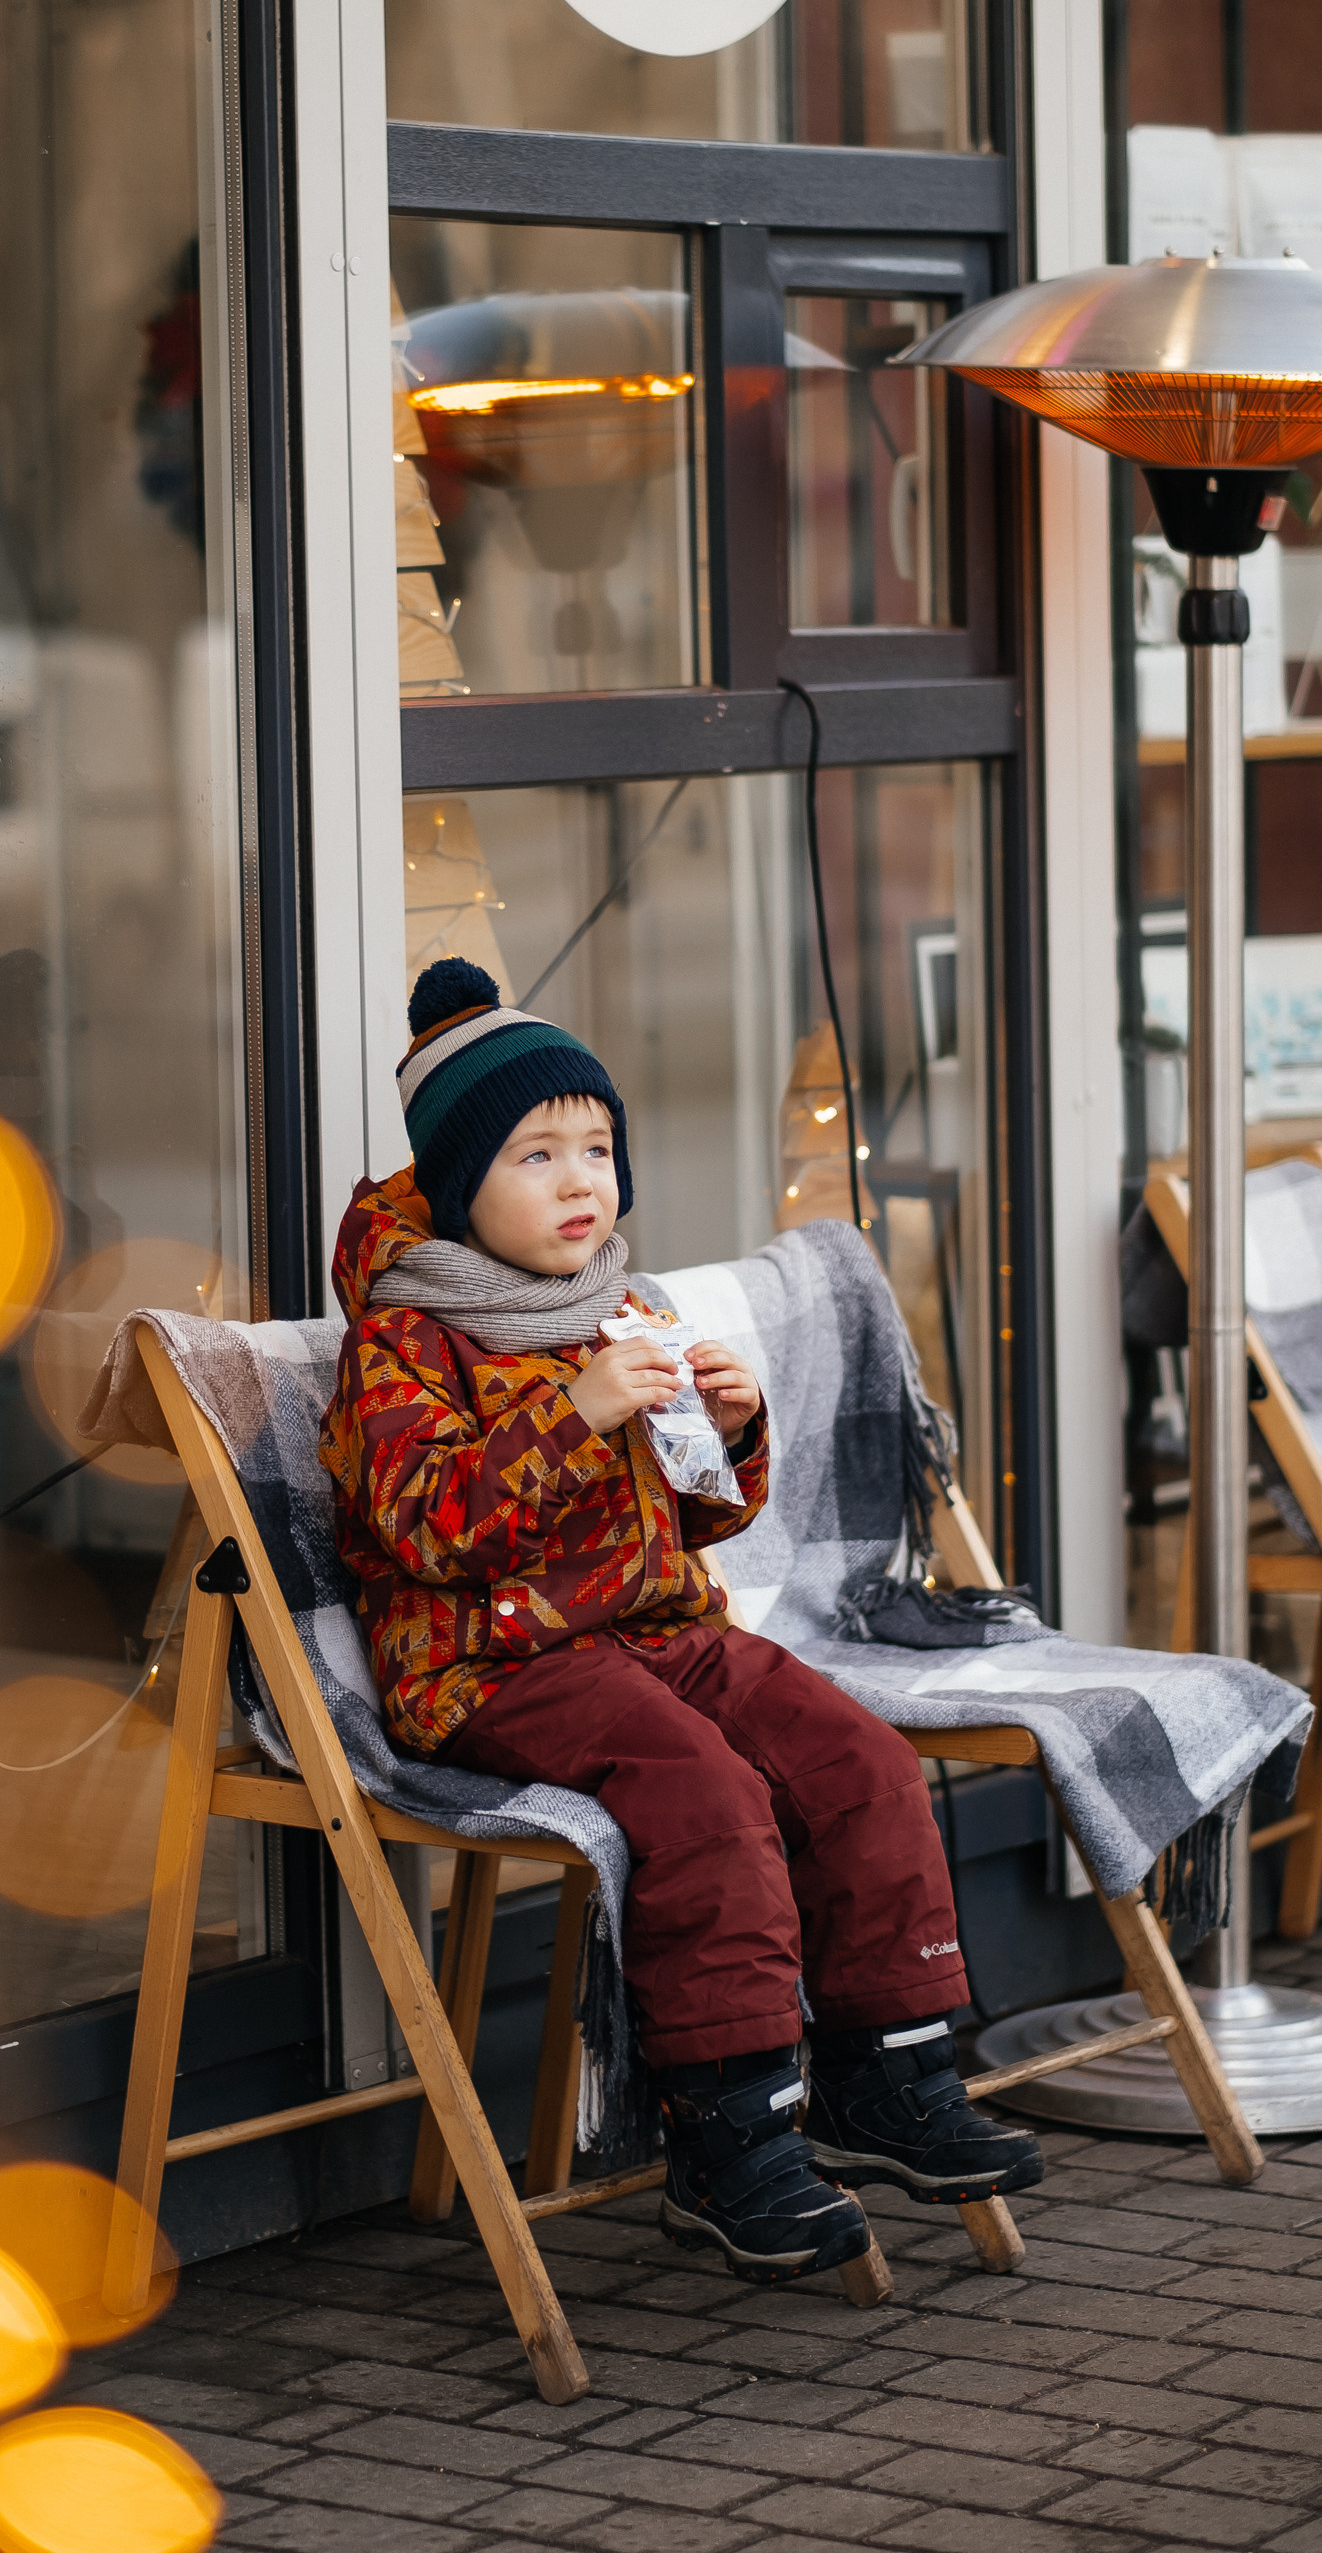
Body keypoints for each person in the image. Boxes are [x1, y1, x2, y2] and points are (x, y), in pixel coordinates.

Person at [319, 957, 1041, 2287]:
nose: (578, 1177)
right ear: (460, 1183)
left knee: (858, 1758)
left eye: (595, 1146)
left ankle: (886, 2072)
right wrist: (572, 1410)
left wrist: (732, 1424)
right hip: (493, 1662)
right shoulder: (405, 1341)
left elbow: (697, 1520)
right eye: (535, 1154)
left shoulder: (621, 1309)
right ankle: (730, 2138)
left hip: (653, 1629)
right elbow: (426, 1526)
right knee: (704, 1794)